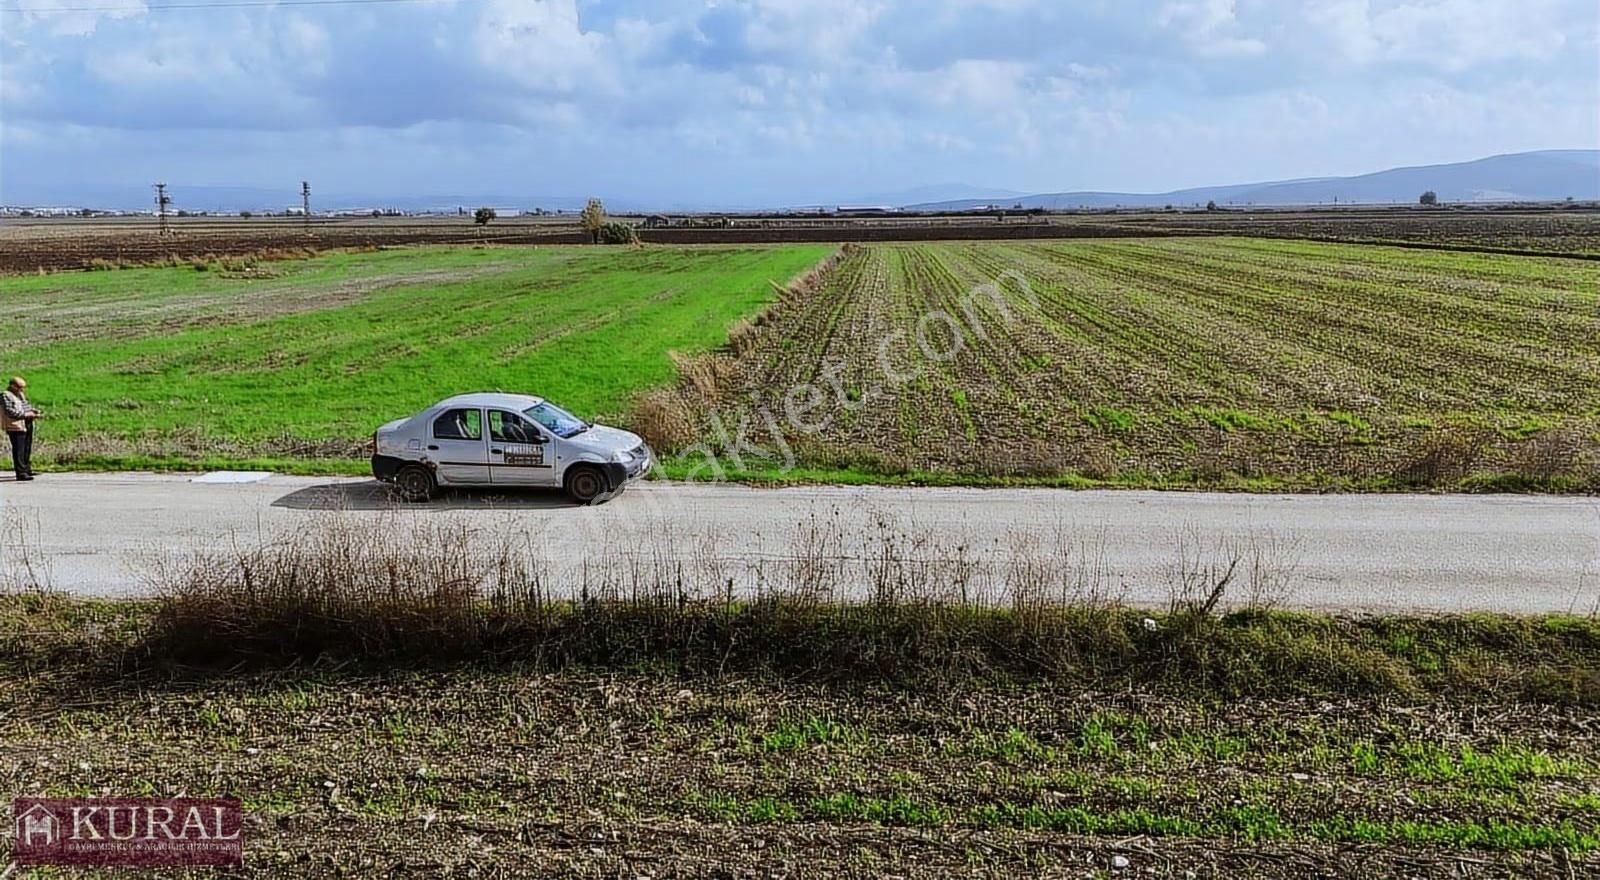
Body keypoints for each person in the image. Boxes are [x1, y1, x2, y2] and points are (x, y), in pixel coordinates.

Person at [1, 377, 42, 481]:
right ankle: (21, 472)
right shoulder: (5, 395)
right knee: (19, 449)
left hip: (26, 422)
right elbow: (10, 411)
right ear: (12, 386)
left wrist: (33, 411)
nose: (21, 390)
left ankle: (27, 468)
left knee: (26, 448)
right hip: (15, 425)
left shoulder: (20, 395)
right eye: (19, 387)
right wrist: (26, 414)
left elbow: (25, 406)